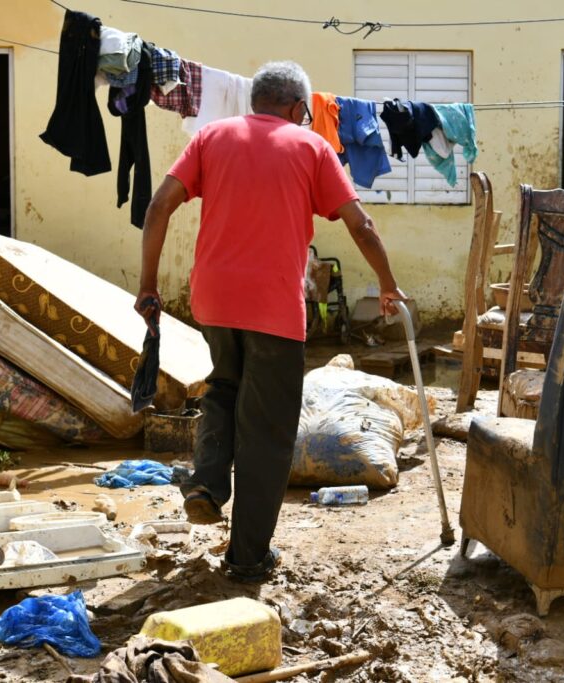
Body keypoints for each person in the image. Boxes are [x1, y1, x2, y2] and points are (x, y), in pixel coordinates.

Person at [135, 61, 404, 583]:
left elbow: (159, 206)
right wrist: (388, 284)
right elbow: (360, 223)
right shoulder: (311, 147)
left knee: (222, 389)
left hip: (213, 299)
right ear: (299, 107)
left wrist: (149, 284)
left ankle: (206, 485)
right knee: (267, 431)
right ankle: (247, 558)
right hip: (273, 311)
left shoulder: (212, 136)